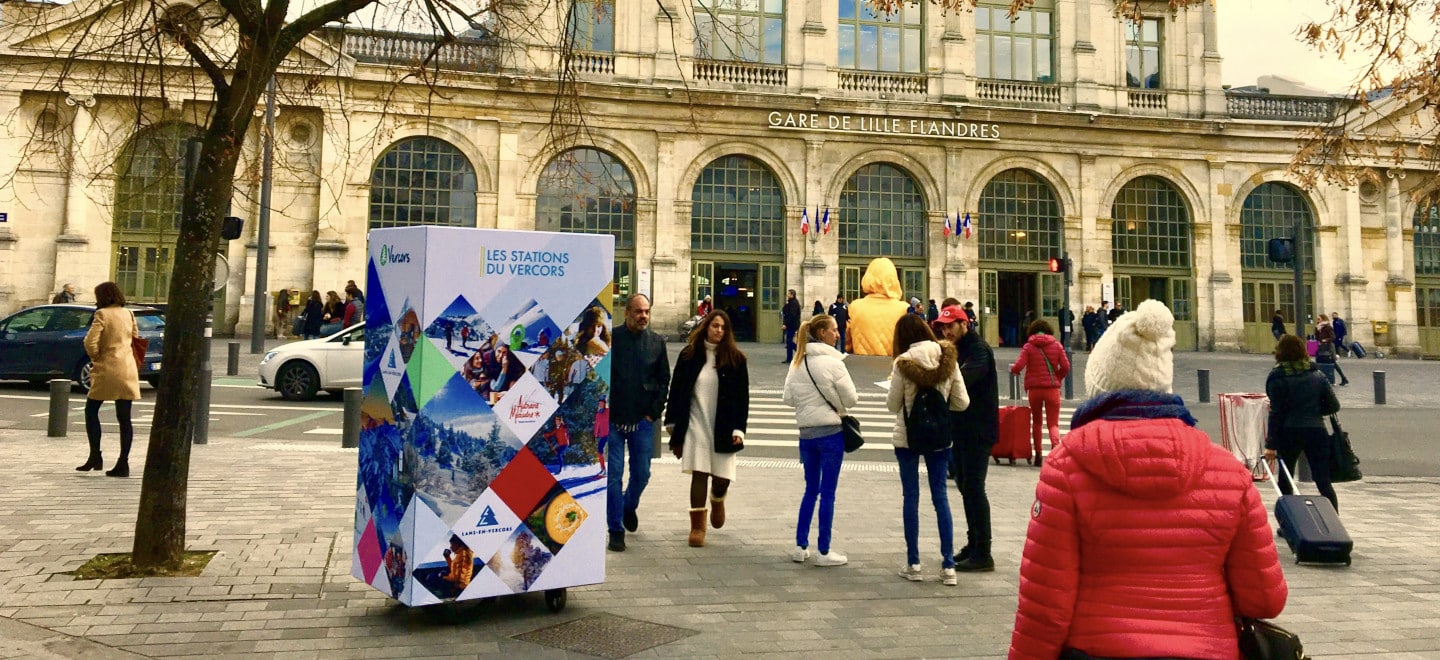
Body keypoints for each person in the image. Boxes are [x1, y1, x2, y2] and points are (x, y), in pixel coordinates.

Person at [1010, 300, 1288, 659]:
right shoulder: (1229, 473)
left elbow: (1045, 603)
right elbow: (1265, 598)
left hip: (1098, 648)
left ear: (1100, 388)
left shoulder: (1067, 467)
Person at [886, 314, 969, 586]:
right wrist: (941, 406)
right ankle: (947, 566)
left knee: (911, 496)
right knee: (940, 498)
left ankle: (914, 563)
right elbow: (962, 402)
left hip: (909, 437)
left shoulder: (903, 363)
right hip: (940, 437)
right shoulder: (948, 358)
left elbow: (892, 404)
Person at [664, 309, 749, 548]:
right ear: (706, 327)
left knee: (722, 476)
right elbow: (677, 390)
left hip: (723, 424)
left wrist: (738, 430)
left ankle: (718, 497)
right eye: (715, 326)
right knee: (699, 472)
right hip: (696, 422)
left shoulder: (736, 359)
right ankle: (697, 527)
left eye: (723, 327)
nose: (719, 331)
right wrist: (672, 422)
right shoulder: (689, 355)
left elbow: (742, 398)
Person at [782, 314, 858, 567]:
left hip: (806, 434)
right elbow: (851, 399)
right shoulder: (834, 363)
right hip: (830, 433)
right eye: (834, 330)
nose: (838, 334)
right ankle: (823, 550)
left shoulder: (797, 362)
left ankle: (800, 545)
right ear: (823, 333)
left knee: (810, 490)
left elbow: (788, 398)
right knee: (828, 492)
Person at [932, 305, 999, 573]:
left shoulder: (978, 349)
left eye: (951, 325)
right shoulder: (955, 350)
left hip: (977, 430)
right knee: (965, 487)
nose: (946, 331)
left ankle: (983, 552)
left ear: (964, 324)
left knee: (974, 488)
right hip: (961, 429)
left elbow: (965, 380)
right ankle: (973, 545)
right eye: (943, 327)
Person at [606, 294, 671, 552]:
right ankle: (615, 529)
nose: (643, 316)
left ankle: (628, 505)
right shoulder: (612, 340)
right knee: (613, 476)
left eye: (646, 311)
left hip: (643, 420)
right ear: (626, 313)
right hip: (613, 419)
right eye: (638, 311)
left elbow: (665, 379)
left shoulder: (656, 342)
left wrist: (653, 412)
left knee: (642, 473)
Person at [1266, 334, 1343, 513]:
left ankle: (1291, 522)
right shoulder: (1317, 375)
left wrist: (1271, 444)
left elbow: (1276, 413)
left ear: (1280, 353)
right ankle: (1334, 521)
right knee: (1323, 480)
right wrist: (1314, 411)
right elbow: (1334, 405)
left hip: (1289, 431)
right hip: (1316, 430)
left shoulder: (1277, 377)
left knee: (1286, 479)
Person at [76, 281, 141, 478]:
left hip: (108, 367)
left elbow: (90, 341)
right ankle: (123, 462)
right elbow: (136, 339)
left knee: (91, 411)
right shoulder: (128, 313)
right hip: (127, 368)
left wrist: (96, 356)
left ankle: (95, 455)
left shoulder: (102, 314)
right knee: (124, 418)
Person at [1010, 319, 1070, 466]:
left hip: (1034, 390)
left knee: (1037, 422)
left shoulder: (1029, 347)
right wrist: (1058, 378)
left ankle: (1038, 455)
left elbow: (1018, 366)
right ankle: (1056, 449)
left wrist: (1014, 370)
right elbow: (1066, 366)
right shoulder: (1057, 345)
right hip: (1052, 389)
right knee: (1053, 423)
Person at [846, 257, 909, 356]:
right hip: (893, 366)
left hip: (862, 366)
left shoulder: (855, 307)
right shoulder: (904, 309)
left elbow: (847, 344)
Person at [1314, 314, 1350, 386]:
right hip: (1321, 347)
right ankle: (1342, 378)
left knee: (1333, 363)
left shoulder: (1328, 327)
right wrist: (1317, 330)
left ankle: (1343, 378)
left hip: (1329, 347)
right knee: (1320, 361)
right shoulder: (1318, 327)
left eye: (1319, 319)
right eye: (1317, 319)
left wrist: (1326, 340)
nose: (1317, 320)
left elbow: (1333, 337)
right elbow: (1317, 338)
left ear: (1323, 319)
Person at [782, 289, 801, 363]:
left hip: (792, 325)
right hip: (792, 325)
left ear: (792, 295)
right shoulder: (791, 303)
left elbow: (791, 316)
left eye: (788, 294)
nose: (787, 295)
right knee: (789, 342)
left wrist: (785, 324)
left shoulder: (793, 303)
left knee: (790, 342)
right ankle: (789, 358)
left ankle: (799, 352)